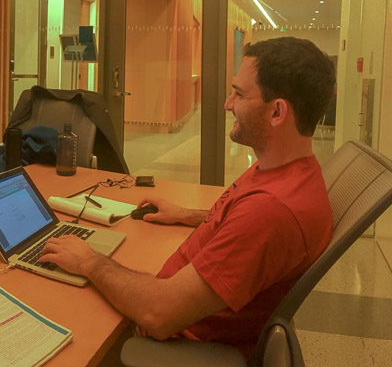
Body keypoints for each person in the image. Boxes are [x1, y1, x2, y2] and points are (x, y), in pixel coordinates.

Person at [40, 36, 336, 358]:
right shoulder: (289, 174)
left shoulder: (270, 212)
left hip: (165, 337)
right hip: (172, 300)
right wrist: (188, 214)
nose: (227, 104)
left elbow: (159, 314)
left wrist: (88, 261)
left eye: (238, 94)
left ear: (277, 112)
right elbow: (243, 220)